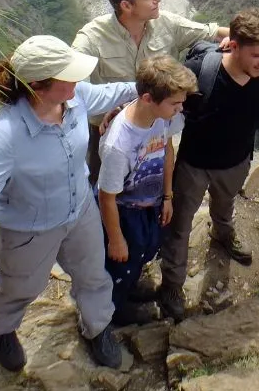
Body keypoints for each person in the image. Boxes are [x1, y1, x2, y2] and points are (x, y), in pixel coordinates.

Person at [0, 35, 138, 372]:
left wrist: (153, 83)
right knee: (18, 287)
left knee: (93, 275)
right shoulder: (7, 136)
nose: (77, 80)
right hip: (28, 230)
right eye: (68, 75)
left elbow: (112, 93)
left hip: (81, 212)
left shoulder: (76, 98)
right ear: (37, 86)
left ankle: (97, 326)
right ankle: (1, 329)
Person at [158, 8, 259, 321]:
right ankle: (172, 286)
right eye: (257, 54)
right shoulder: (200, 71)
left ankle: (223, 235)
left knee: (225, 204)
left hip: (237, 160)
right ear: (233, 45)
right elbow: (162, 101)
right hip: (193, 164)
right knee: (179, 227)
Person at [72, 0, 230, 185]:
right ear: (126, 6)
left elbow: (212, 32)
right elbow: (71, 85)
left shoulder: (167, 24)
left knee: (150, 190)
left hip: (157, 126)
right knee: (103, 190)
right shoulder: (92, 37)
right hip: (107, 132)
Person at [97, 55, 197, 325]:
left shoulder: (161, 117)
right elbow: (107, 197)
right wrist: (116, 239)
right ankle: (114, 310)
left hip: (151, 203)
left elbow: (166, 150)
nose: (180, 108)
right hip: (125, 210)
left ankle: (130, 285)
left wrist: (167, 196)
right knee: (121, 259)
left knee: (146, 248)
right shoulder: (119, 144)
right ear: (148, 99)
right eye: (175, 103)